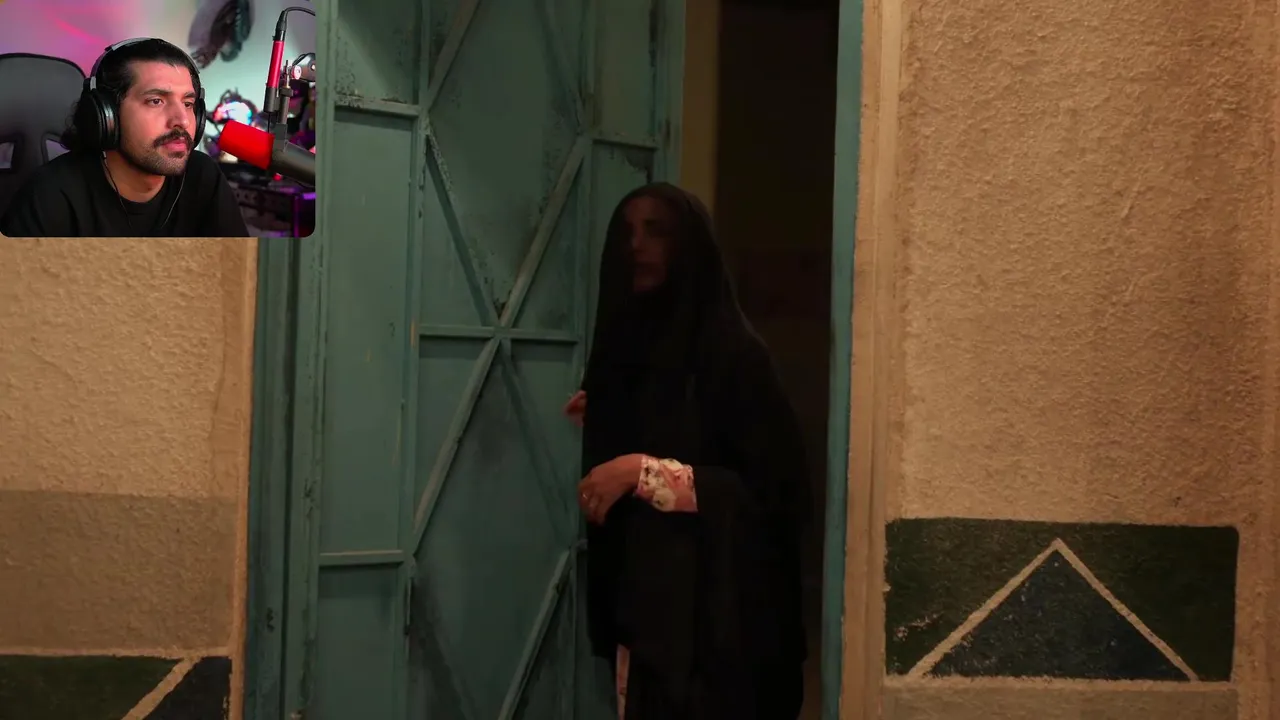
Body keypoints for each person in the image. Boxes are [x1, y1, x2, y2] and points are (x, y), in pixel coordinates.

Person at [565, 183, 810, 719]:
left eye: (656, 231)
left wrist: (644, 473)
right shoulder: (628, 352)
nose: (637, 245)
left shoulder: (735, 355)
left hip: (718, 630)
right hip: (642, 618)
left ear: (689, 245)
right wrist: (611, 410)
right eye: (627, 233)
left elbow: (774, 490)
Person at [0, 38, 249, 238]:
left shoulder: (202, 176)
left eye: (188, 103)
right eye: (156, 101)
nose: (182, 120)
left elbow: (240, 274)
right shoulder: (52, 195)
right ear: (107, 116)